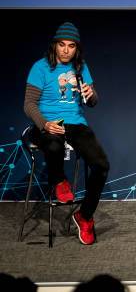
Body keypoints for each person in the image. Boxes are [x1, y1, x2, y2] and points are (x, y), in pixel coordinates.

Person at [24, 21, 109, 245]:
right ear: (54, 45)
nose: (66, 50)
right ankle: (60, 180)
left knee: (101, 165)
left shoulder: (81, 68)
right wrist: (44, 123)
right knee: (53, 145)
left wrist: (91, 94)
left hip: (75, 122)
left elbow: (92, 102)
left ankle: (84, 216)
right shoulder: (40, 68)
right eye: (61, 45)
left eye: (71, 46)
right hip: (48, 122)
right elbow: (29, 104)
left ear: (76, 49)